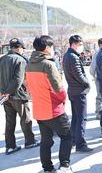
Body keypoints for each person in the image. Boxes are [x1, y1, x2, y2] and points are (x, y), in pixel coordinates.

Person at [25, 35, 73, 173]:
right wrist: (63, 99)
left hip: (39, 110)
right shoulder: (48, 64)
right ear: (47, 48)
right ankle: (64, 165)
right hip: (53, 109)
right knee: (67, 135)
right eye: (52, 47)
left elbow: (28, 87)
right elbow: (58, 89)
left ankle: (47, 168)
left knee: (46, 141)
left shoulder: (29, 64)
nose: (53, 50)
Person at [0, 38, 40, 155]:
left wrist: (3, 93)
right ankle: (30, 141)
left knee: (9, 121)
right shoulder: (20, 60)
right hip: (18, 95)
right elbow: (18, 79)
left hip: (5, 97)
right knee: (25, 119)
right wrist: (8, 92)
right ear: (19, 48)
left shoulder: (2, 59)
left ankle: (10, 146)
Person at [63, 35, 93, 153]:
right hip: (78, 91)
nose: (81, 47)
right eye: (80, 45)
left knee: (76, 118)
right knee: (81, 118)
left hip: (72, 91)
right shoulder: (73, 57)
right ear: (73, 45)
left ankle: (74, 140)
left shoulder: (67, 55)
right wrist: (87, 84)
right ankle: (80, 144)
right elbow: (78, 75)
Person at [90, 38, 102, 120]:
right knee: (99, 95)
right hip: (99, 78)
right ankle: (98, 112)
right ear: (100, 45)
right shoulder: (97, 54)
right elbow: (92, 68)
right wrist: (95, 77)